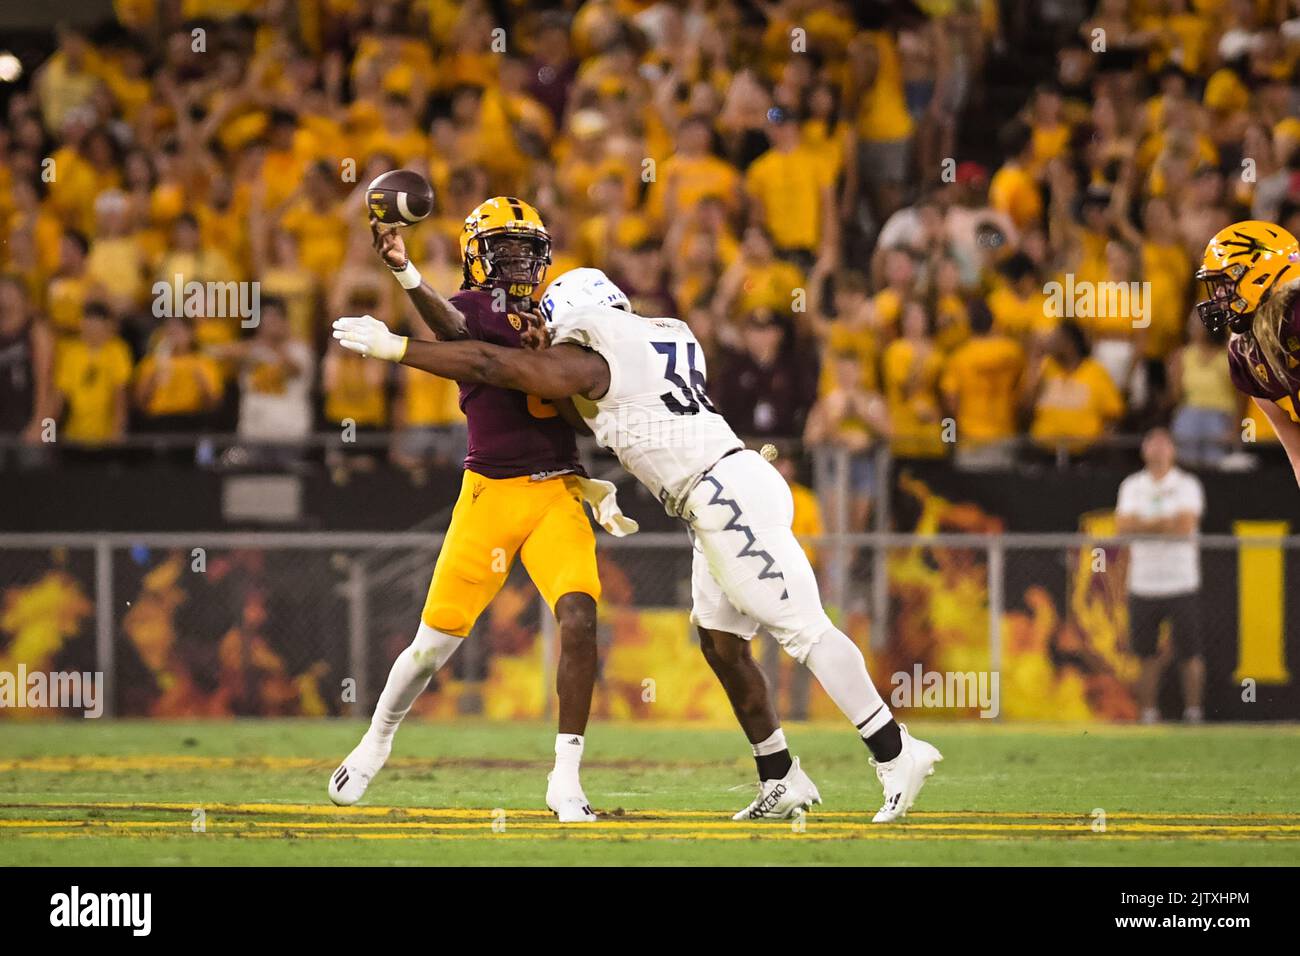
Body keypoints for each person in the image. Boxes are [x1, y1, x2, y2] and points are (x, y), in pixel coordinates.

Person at [334, 268, 944, 824]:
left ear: (579, 316)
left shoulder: (599, 353)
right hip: (720, 490)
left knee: (804, 630)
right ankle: (780, 775)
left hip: (721, 492)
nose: (550, 336)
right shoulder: (666, 332)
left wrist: (397, 346)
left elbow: (499, 369)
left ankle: (895, 753)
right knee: (721, 642)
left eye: (557, 325)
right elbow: (582, 404)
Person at [328, 199, 633, 824]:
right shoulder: (472, 309)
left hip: (557, 492)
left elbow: (595, 401)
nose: (520, 260)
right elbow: (462, 340)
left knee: (578, 618)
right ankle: (376, 740)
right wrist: (408, 276)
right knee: (429, 648)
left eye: (528, 247)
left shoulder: (565, 314)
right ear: (477, 253)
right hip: (490, 494)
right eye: (507, 247)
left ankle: (565, 780)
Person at [1196, 221, 1300, 485]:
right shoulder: (1245, 353)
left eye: (1225, 282)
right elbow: (1297, 452)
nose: (1218, 295)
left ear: (1260, 275)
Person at [1115, 428, 1206, 724]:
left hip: (1181, 582)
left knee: (1190, 653)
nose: (1157, 449)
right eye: (1151, 442)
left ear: (1173, 450)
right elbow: (1123, 528)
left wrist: (1144, 525)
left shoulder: (1187, 484)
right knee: (1145, 655)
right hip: (1143, 583)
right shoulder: (1132, 485)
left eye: (1163, 443)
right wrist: (1163, 524)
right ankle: (1148, 713)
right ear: (1143, 450)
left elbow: (1184, 526)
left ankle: (1193, 712)